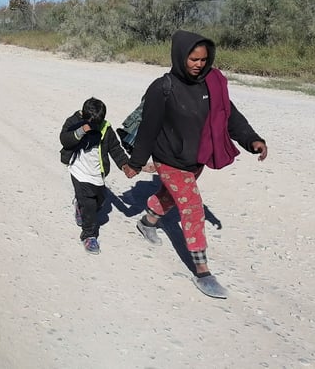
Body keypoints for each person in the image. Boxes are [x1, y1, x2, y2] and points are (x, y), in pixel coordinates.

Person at [126, 30, 268, 299]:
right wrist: (136, 162)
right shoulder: (162, 87)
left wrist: (251, 140)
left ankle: (147, 222)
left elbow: (229, 116)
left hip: (197, 157)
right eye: (193, 59)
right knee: (191, 208)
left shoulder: (212, 83)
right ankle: (202, 272)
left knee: (171, 196)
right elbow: (149, 127)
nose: (199, 65)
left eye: (204, 59)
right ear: (181, 56)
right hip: (168, 158)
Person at [60, 97, 136, 254]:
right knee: (89, 205)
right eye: (93, 123)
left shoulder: (105, 128)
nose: (96, 125)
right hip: (79, 171)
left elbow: (115, 148)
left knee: (100, 200)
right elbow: (65, 140)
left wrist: (125, 165)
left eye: (99, 122)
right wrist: (81, 130)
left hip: (97, 174)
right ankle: (89, 235)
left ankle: (80, 207)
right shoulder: (74, 121)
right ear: (84, 116)